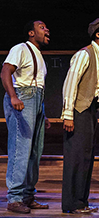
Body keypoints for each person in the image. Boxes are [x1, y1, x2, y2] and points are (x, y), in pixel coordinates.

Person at [61, 17, 99, 214]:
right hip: (78, 111)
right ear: (98, 35)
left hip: (89, 111)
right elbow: (70, 83)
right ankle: (72, 203)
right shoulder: (84, 54)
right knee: (76, 158)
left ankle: (81, 202)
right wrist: (68, 114)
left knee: (86, 157)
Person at [0, 20, 51, 214]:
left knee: (35, 152)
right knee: (21, 148)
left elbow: (38, 87)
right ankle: (14, 198)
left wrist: (42, 113)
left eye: (46, 27)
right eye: (41, 27)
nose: (47, 30)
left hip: (37, 101)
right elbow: (5, 71)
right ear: (31, 32)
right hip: (23, 97)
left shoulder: (39, 55)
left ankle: (28, 196)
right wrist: (13, 96)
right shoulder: (20, 48)